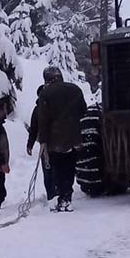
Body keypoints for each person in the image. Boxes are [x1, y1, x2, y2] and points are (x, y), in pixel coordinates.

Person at [34, 66, 86, 212]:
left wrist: (42, 140)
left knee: (58, 169)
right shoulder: (75, 89)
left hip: (55, 140)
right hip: (74, 137)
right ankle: (67, 197)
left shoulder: (45, 93)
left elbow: (43, 120)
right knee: (70, 168)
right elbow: (83, 110)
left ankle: (62, 197)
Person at [27, 85, 56, 201]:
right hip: (47, 145)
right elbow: (33, 128)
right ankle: (52, 195)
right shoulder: (38, 109)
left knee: (51, 170)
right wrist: (30, 143)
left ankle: (54, 194)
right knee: (50, 170)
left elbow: (33, 128)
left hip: (51, 143)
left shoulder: (49, 107)